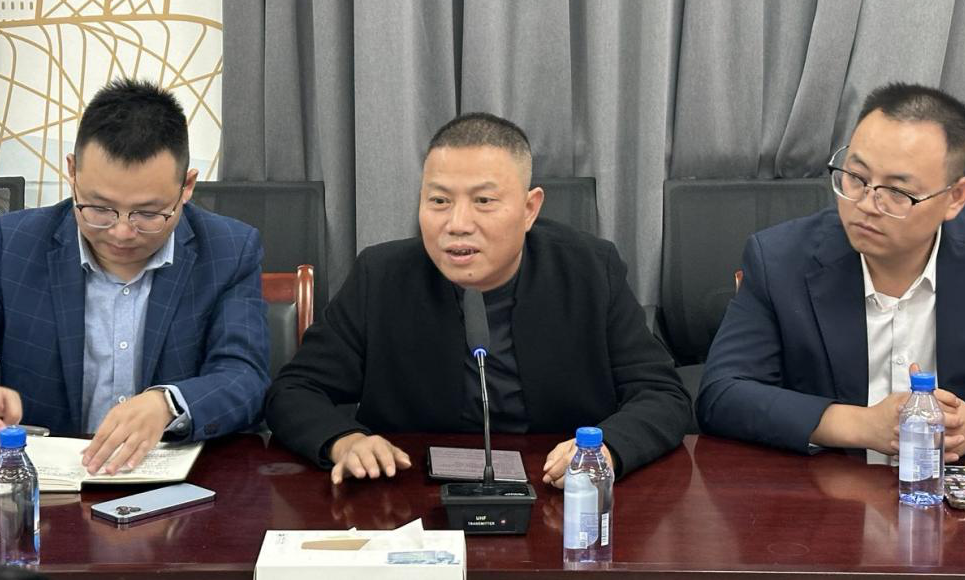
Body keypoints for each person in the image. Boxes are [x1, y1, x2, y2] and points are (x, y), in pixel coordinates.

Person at [266, 112, 690, 485]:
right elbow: (294, 391)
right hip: (410, 493)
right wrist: (344, 441)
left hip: (557, 488)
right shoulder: (381, 276)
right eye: (439, 200)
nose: (457, 223)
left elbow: (662, 395)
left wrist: (605, 451)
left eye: (483, 201)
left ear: (529, 209)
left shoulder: (589, 270)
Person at [0, 79, 270, 474]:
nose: (121, 232)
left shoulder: (228, 249)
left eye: (148, 213)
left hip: (176, 490)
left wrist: (168, 403)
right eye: (99, 209)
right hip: (48, 489)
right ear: (72, 172)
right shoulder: (15, 242)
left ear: (186, 186)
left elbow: (245, 377)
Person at [698, 82, 965, 461]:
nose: (866, 205)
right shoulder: (780, 260)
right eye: (856, 177)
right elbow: (722, 394)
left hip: (956, 488)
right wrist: (859, 425)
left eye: (897, 192)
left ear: (955, 197)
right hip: (830, 487)